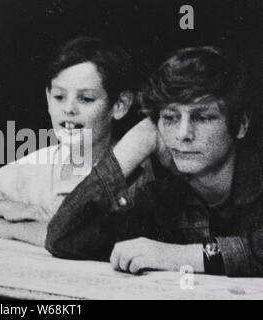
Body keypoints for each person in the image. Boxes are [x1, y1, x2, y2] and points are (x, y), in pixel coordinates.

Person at [45, 46, 263, 277]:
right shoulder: (157, 186)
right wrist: (128, 151)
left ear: (241, 124)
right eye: (169, 118)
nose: (183, 134)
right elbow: (62, 239)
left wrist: (175, 256)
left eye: (202, 117)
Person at [0, 37, 141, 246]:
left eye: (86, 99)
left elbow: (84, 238)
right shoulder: (40, 163)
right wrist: (5, 207)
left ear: (120, 105)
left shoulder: (136, 168)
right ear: (48, 98)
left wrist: (12, 229)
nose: (68, 109)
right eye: (59, 96)